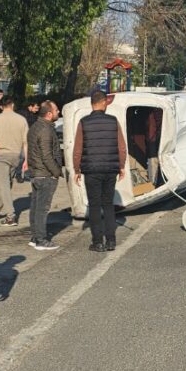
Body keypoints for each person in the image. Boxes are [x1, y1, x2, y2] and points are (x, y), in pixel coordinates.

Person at [73, 91, 127, 252]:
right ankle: (111, 241)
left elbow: (78, 149)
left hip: (91, 170)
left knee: (95, 206)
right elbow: (122, 147)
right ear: (103, 102)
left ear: (92, 103)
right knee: (108, 205)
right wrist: (121, 166)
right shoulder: (113, 121)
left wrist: (77, 169)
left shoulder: (84, 122)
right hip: (110, 169)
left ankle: (97, 242)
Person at [0, 97, 28, 227]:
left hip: (1, 155)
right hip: (16, 155)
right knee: (7, 184)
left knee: (4, 186)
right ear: (13, 104)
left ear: (0, 107)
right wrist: (26, 159)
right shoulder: (22, 120)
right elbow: (26, 142)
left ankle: (11, 216)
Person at [26, 101, 62, 251]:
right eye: (56, 110)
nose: (58, 112)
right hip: (45, 174)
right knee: (42, 208)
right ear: (49, 114)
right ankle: (40, 239)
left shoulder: (35, 127)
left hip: (36, 172)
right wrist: (56, 172)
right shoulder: (46, 130)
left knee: (35, 207)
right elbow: (47, 155)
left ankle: (35, 237)